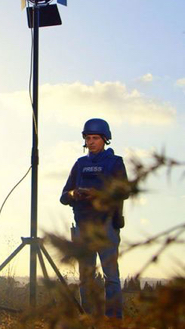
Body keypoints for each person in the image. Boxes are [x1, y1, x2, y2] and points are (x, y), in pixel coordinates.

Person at [60, 118, 129, 319]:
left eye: (95, 138)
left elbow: (124, 191)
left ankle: (114, 320)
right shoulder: (80, 164)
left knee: (111, 277)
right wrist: (74, 194)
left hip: (106, 226)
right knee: (85, 277)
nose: (91, 142)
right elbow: (63, 196)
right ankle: (88, 319)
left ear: (105, 139)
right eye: (88, 138)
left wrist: (97, 194)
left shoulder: (115, 163)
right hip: (83, 226)